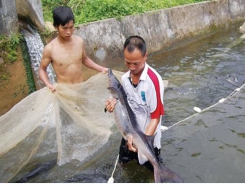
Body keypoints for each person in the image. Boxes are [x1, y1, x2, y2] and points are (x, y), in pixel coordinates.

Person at [105, 35, 164, 171]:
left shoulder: (153, 81)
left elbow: (156, 118)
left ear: (145, 57)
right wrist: (109, 106)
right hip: (130, 132)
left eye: (136, 63)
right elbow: (122, 106)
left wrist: (143, 142)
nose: (131, 67)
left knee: (154, 170)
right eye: (127, 62)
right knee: (124, 165)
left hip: (148, 138)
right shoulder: (125, 79)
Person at [39, 6, 108, 91]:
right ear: (56, 26)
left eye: (71, 27)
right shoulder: (50, 49)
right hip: (65, 93)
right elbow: (42, 69)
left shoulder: (79, 42)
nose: (68, 32)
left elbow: (84, 59)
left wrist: (101, 69)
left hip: (81, 89)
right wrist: (48, 84)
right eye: (64, 28)